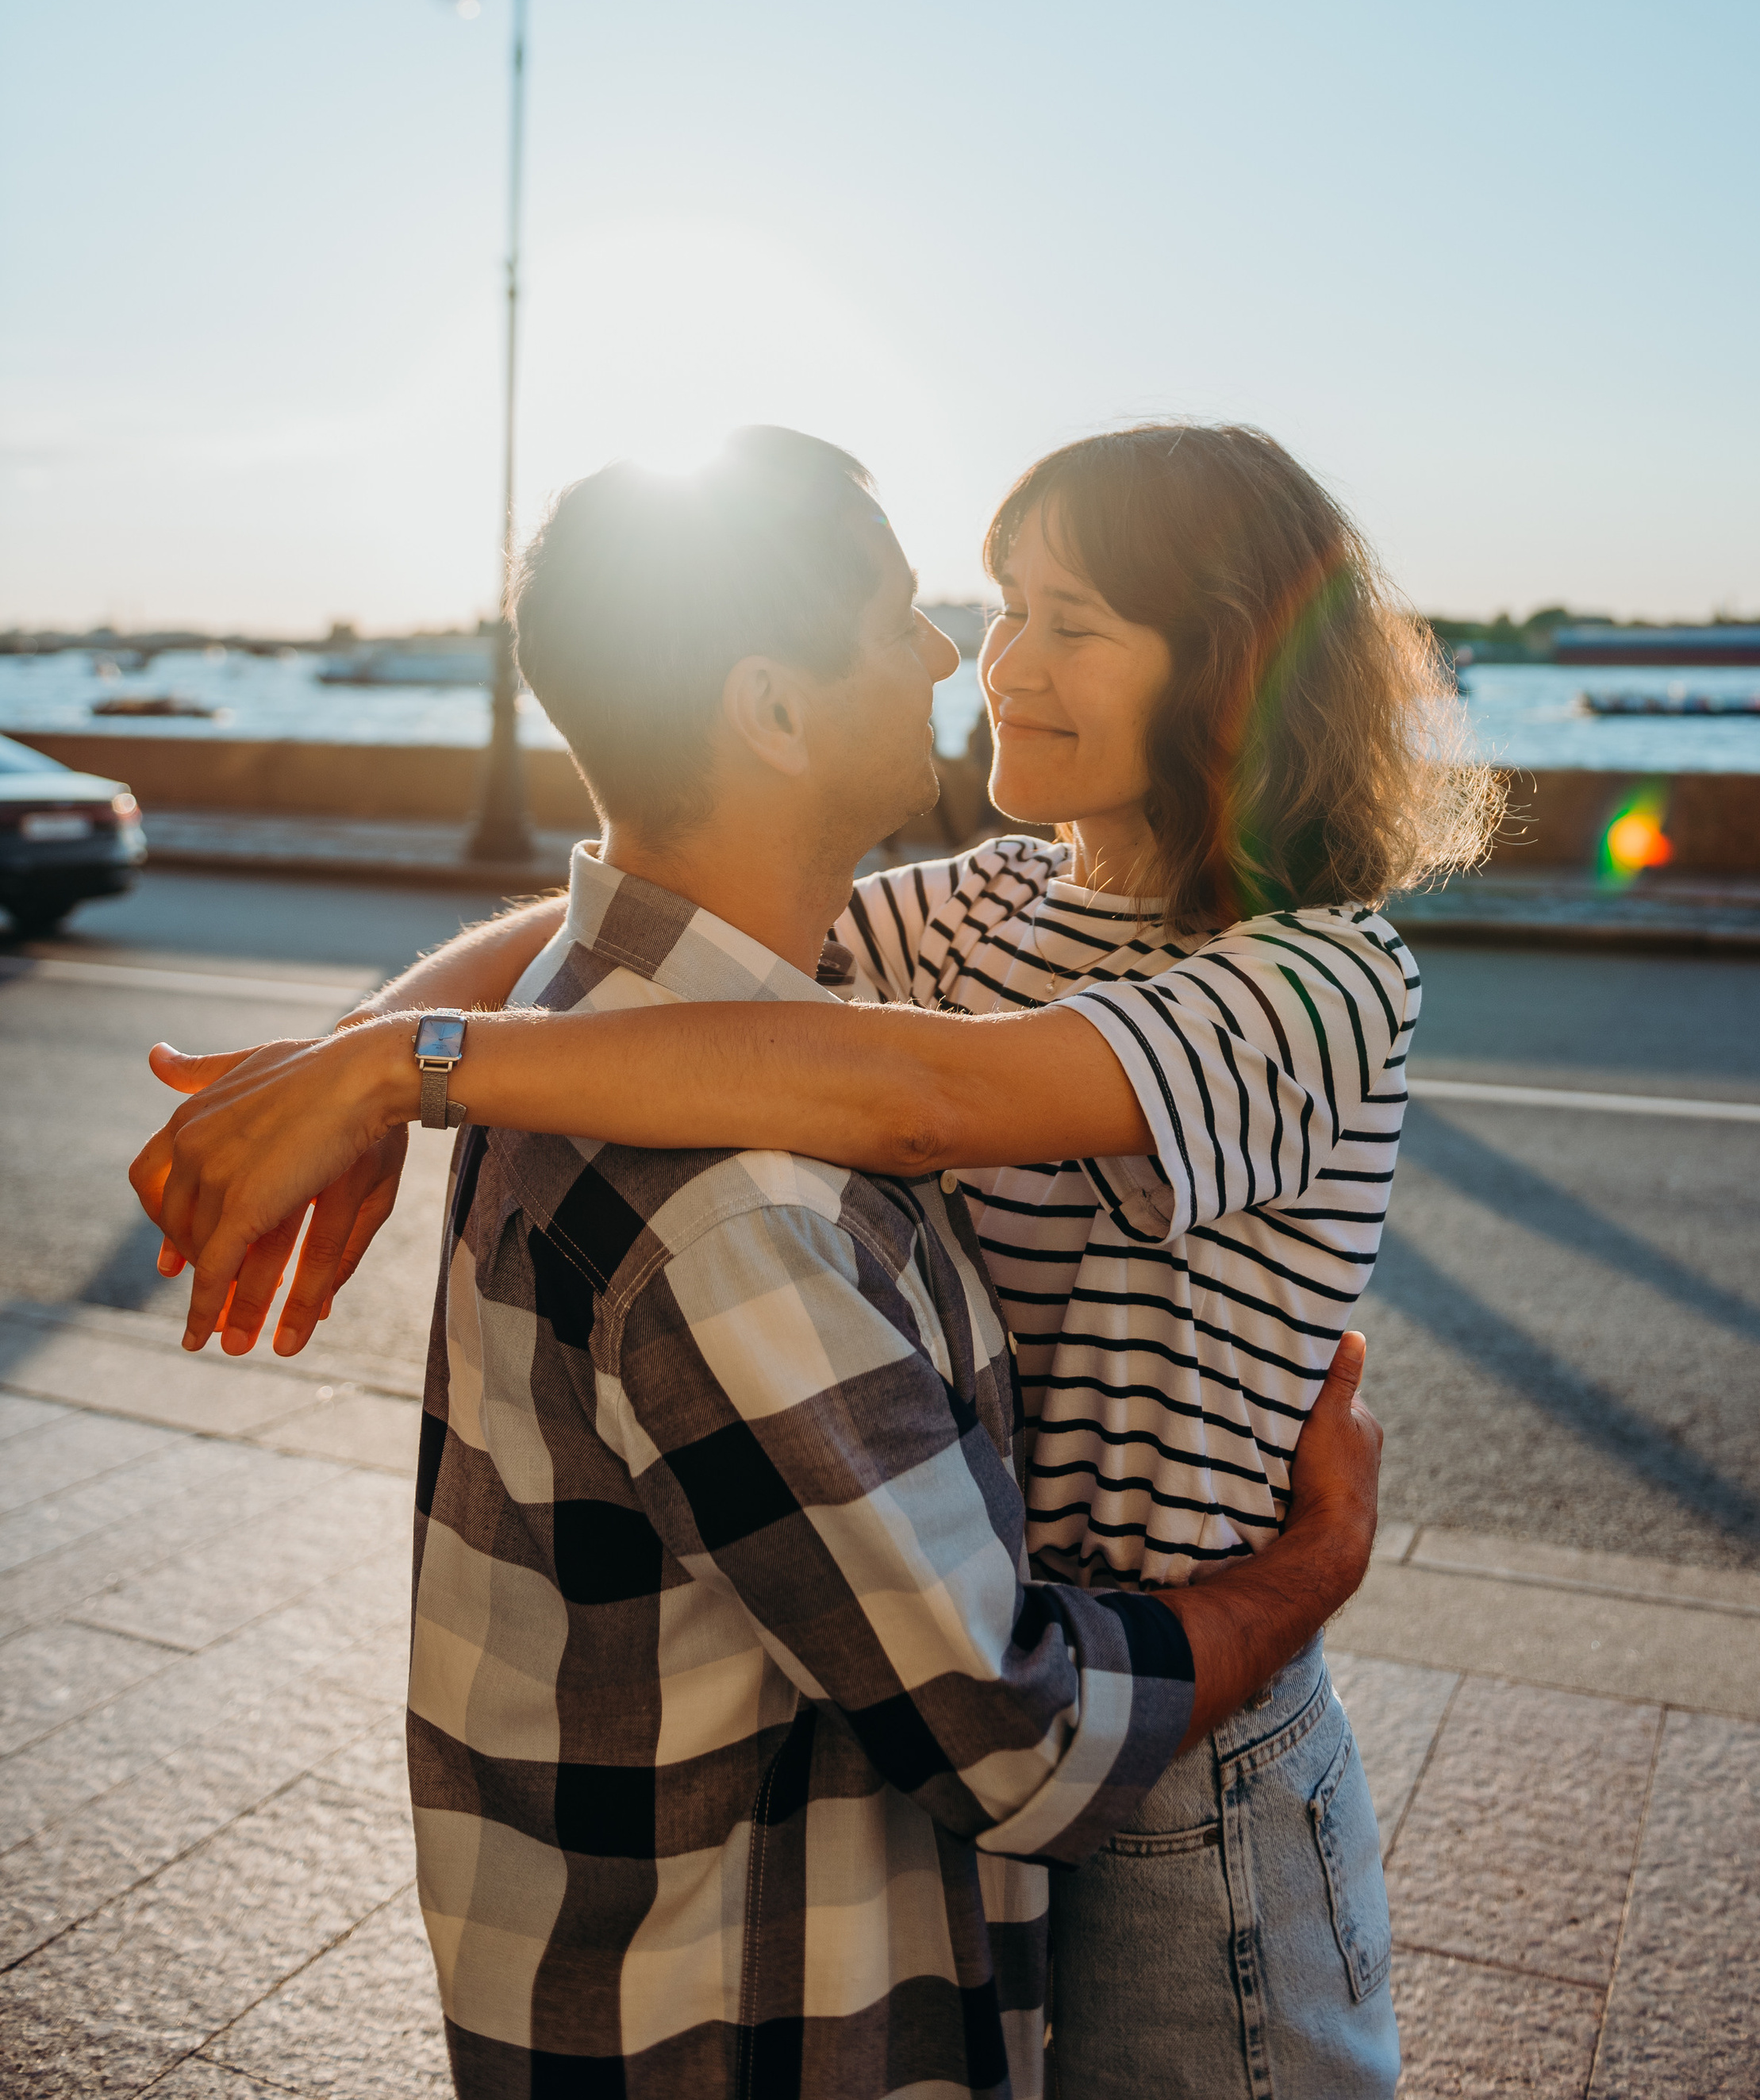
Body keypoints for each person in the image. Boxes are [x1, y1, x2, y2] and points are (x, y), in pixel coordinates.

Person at [136, 421, 1494, 2098]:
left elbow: (917, 1094)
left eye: (1076, 621)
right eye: (1005, 604)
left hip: (1184, 1760)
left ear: (1225, 668)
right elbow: (663, 936)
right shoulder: (1002, 905)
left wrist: (410, 1073)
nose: (992, 659)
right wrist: (359, 1055)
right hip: (1025, 1692)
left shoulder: (1313, 980)